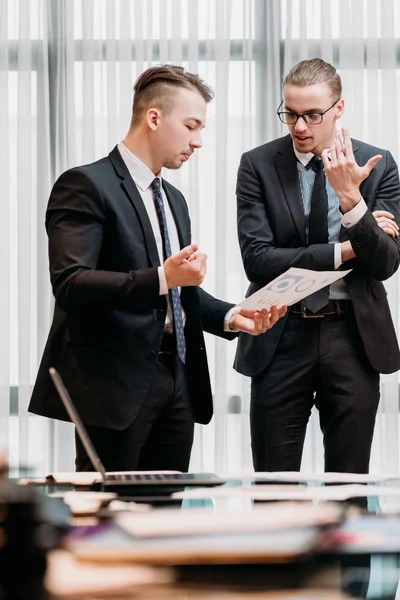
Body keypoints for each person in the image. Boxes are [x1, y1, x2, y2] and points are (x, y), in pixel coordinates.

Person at [29, 64, 286, 473]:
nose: (198, 141)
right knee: (111, 519)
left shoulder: (175, 199)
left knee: (166, 520)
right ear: (154, 117)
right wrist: (165, 277)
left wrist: (233, 316)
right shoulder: (84, 185)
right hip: (115, 386)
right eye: (191, 126)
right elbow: (71, 282)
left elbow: (178, 291)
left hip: (179, 380)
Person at [234, 58, 400, 475]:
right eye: (290, 113)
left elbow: (384, 262)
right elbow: (257, 258)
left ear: (338, 109)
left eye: (312, 114)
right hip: (280, 333)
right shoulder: (257, 164)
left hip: (354, 337)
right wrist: (348, 247)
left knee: (350, 490)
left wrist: (351, 199)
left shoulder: (378, 165)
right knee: (273, 488)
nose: (299, 126)